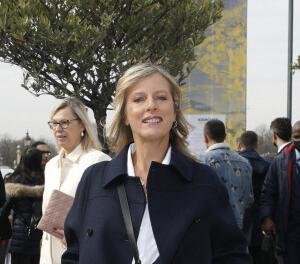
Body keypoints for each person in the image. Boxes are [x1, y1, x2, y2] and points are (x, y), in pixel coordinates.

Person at [62, 63, 252, 264]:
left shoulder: (204, 182)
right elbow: (74, 254)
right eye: (138, 99)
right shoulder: (95, 179)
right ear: (125, 115)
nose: (151, 105)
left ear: (174, 110)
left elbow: (232, 256)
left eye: (161, 97)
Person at [40, 97, 111, 264]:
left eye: (64, 122)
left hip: (79, 256)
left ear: (82, 125)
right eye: (54, 123)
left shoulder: (98, 161)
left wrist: (81, 233)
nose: (58, 129)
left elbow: (108, 216)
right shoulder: (51, 166)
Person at [200, 119, 253, 231]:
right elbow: (249, 200)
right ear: (225, 136)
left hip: (212, 230)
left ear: (205, 137)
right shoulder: (245, 163)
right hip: (237, 230)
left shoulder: (201, 162)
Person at [261, 120, 300, 264]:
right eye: (297, 137)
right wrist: (267, 217)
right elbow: (268, 190)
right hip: (290, 230)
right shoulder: (280, 161)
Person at [0, 148, 44, 264]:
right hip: (37, 236)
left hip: (19, 237)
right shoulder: (43, 180)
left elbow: (4, 211)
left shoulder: (16, 180)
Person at [238, 131, 270, 263]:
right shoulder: (267, 165)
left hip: (238, 216)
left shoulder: (234, 164)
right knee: (258, 256)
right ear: (256, 145)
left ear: (239, 145)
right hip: (259, 218)